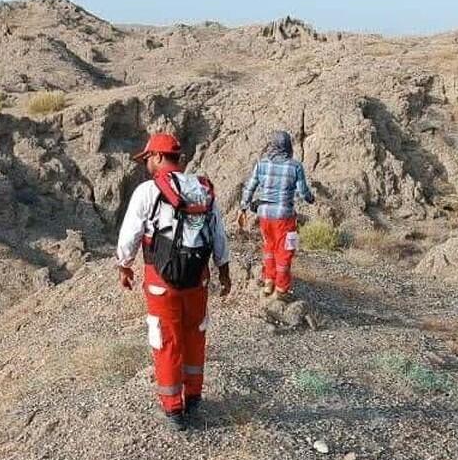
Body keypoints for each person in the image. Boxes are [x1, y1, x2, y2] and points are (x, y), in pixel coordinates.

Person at [116, 132, 231, 431]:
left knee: (166, 341)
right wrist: (224, 269)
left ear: (157, 157)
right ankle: (193, 398)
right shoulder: (201, 188)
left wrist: (124, 265)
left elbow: (130, 233)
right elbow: (218, 231)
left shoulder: (147, 191)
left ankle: (172, 409)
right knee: (195, 335)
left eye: (147, 159)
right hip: (198, 279)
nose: (146, 165)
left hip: (161, 281)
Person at [237, 130, 315, 298]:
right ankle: (281, 288)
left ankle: (268, 281)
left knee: (269, 247)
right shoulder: (295, 166)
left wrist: (243, 208)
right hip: (284, 217)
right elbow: (303, 192)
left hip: (264, 215)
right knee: (285, 251)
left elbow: (249, 188)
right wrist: (311, 199)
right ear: (288, 146)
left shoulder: (261, 164)